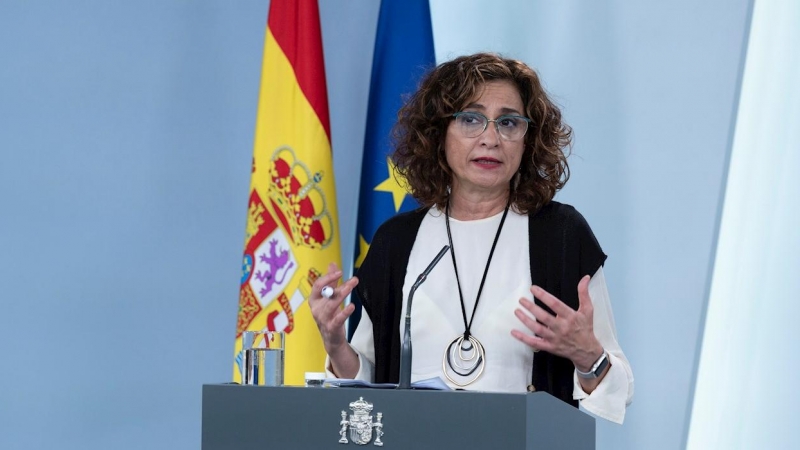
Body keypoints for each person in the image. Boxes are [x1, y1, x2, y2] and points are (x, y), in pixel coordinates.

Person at [310, 53, 633, 424]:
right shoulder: (396, 242)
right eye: (471, 119)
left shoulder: (561, 235)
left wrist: (588, 356)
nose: (491, 139)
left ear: (528, 140)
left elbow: (618, 387)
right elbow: (367, 382)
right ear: (438, 134)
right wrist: (335, 346)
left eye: (509, 122)